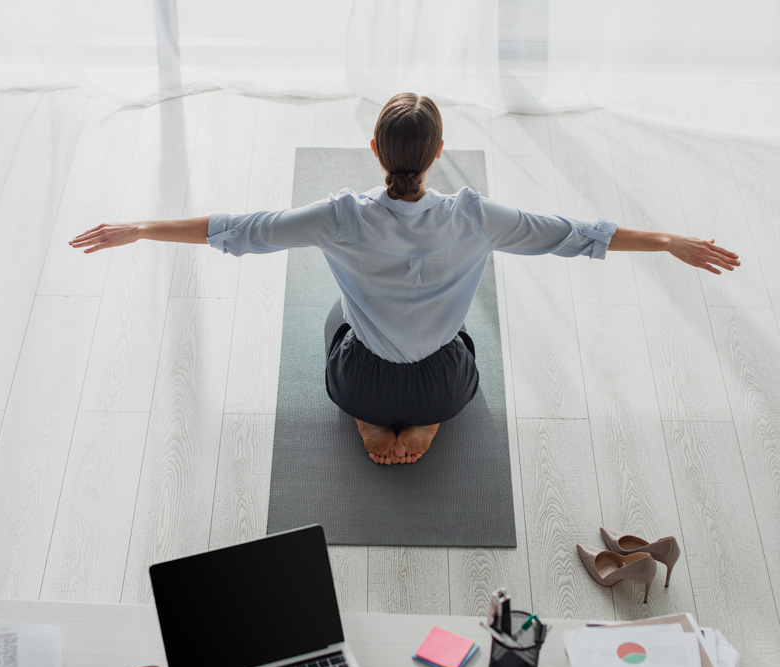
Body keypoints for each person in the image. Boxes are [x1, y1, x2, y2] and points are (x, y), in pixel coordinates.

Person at [69, 93, 740, 466]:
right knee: (463, 336)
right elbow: (573, 234)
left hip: (360, 375)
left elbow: (242, 228)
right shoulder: (476, 217)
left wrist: (141, 226)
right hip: (444, 383)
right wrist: (666, 241)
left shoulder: (340, 217)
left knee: (337, 317)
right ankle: (426, 421)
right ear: (440, 153)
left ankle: (369, 417)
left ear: (375, 152)